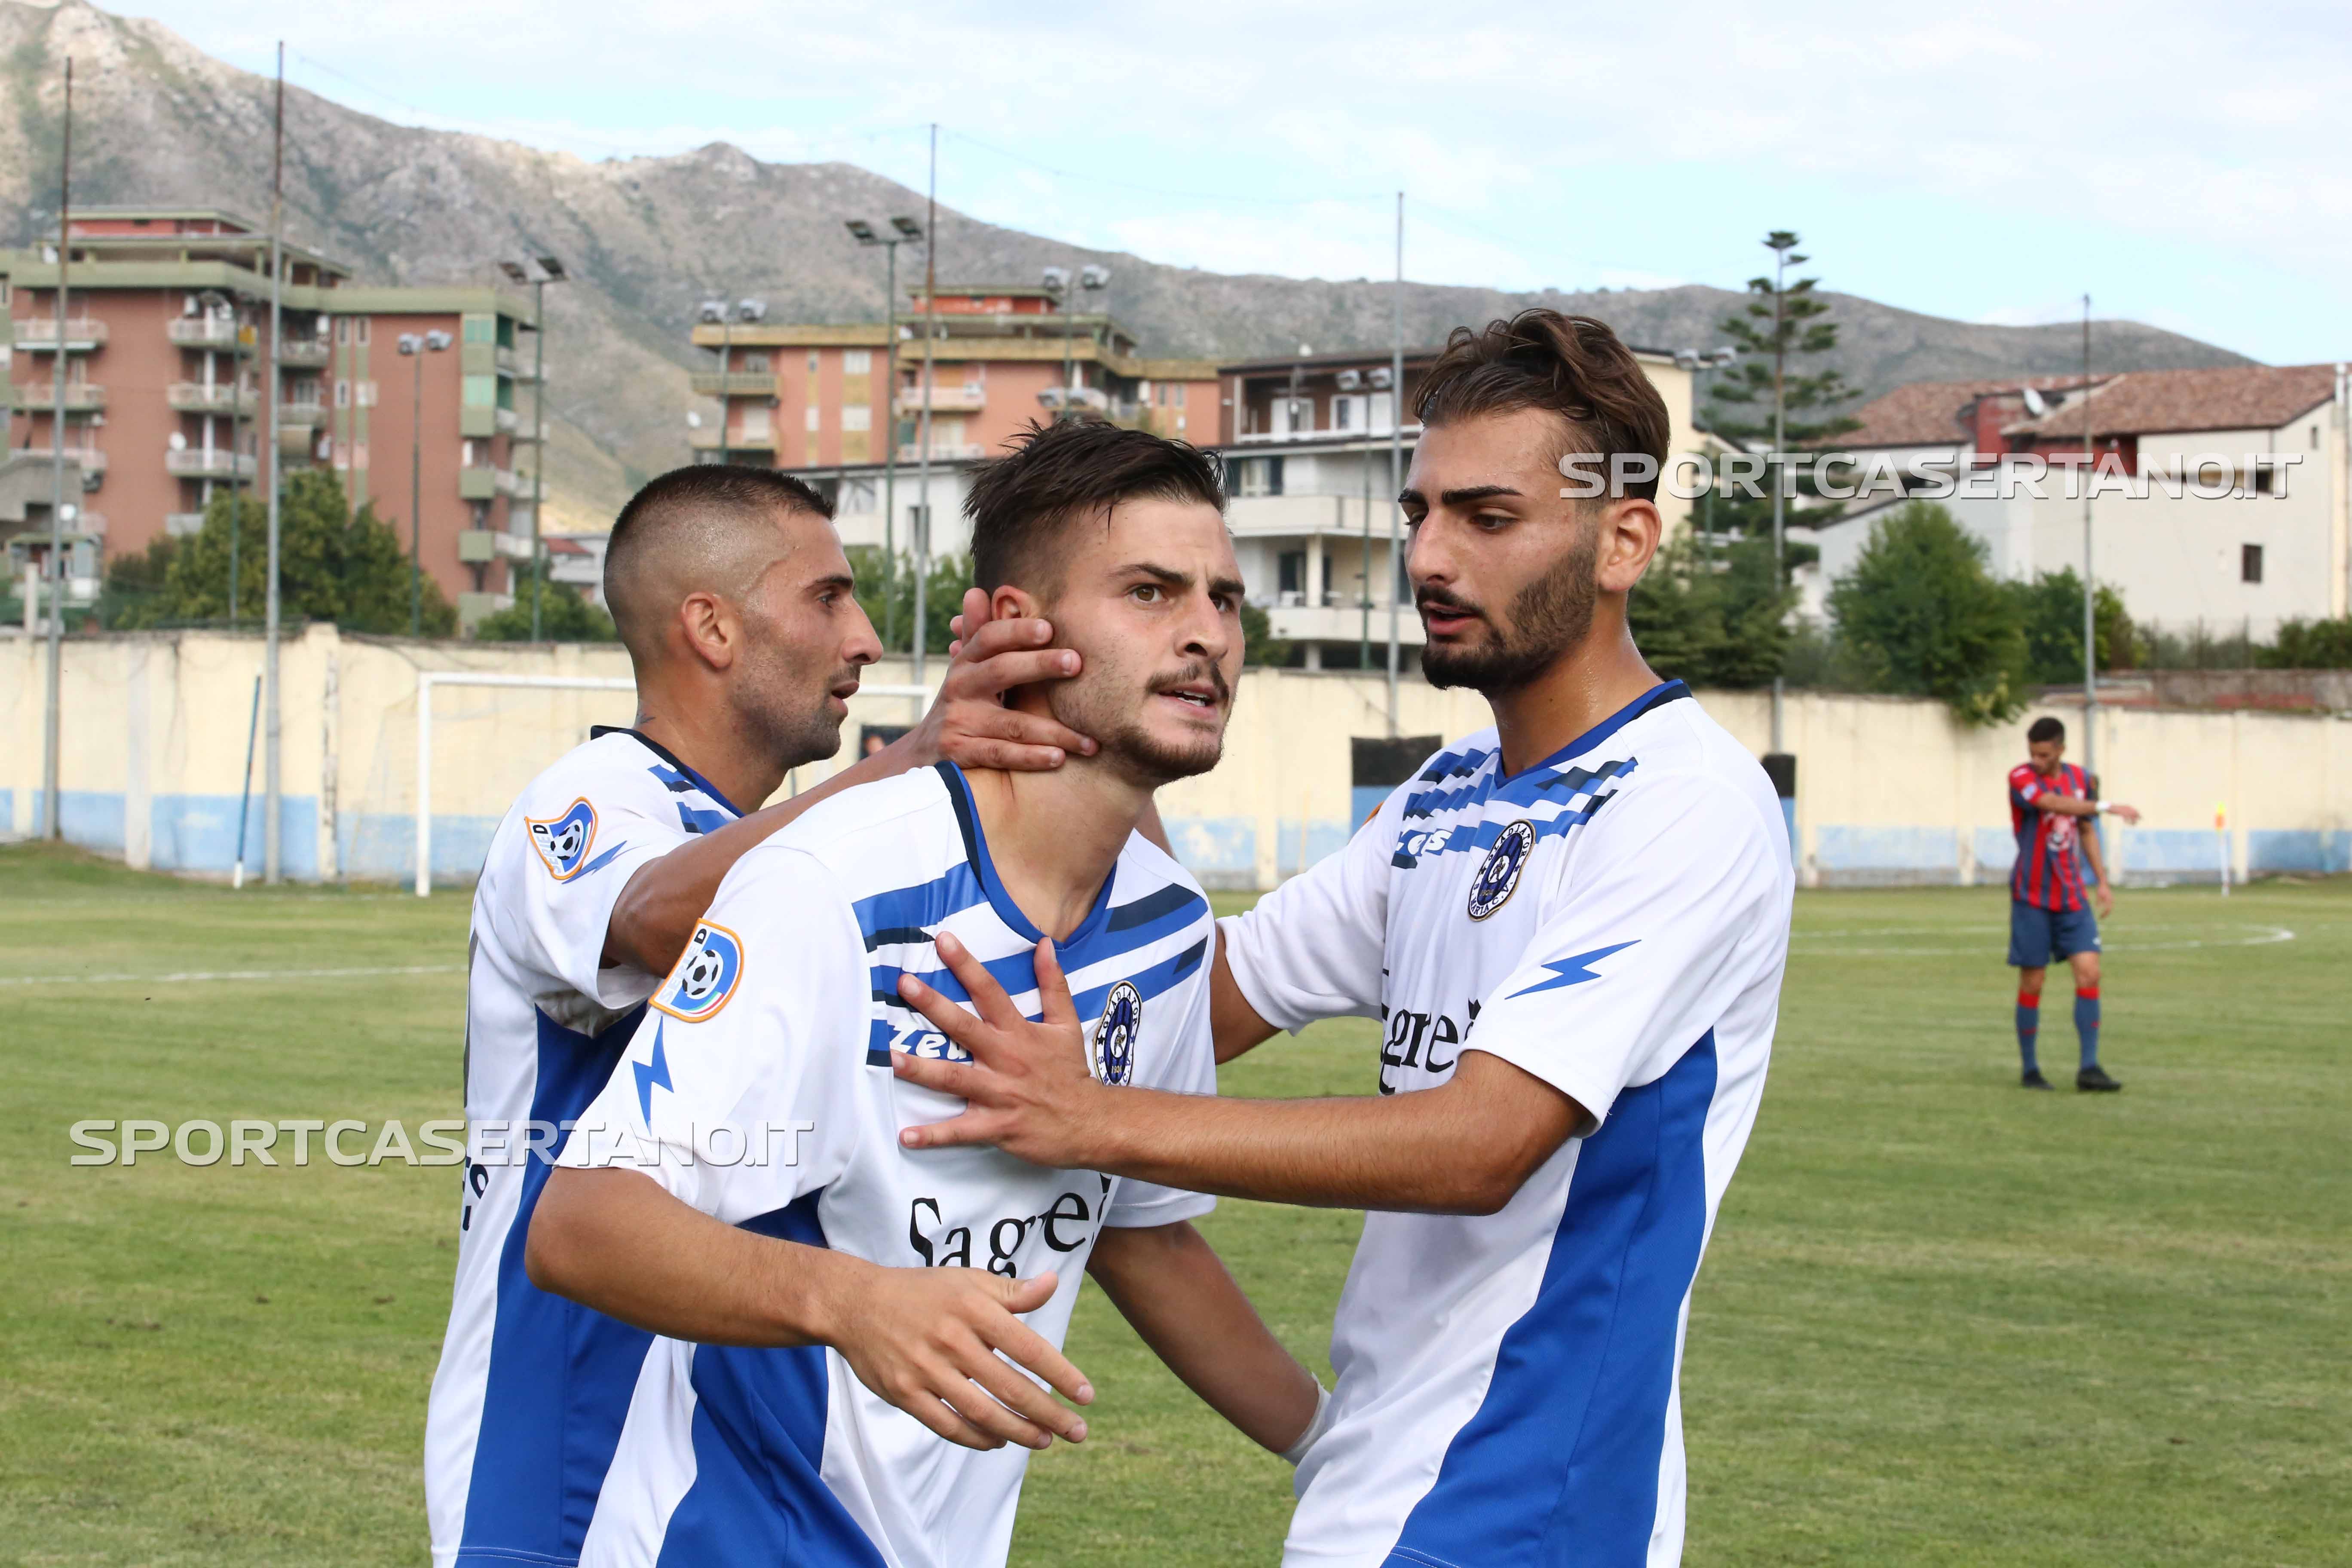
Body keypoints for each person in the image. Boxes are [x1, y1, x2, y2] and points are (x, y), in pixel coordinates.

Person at [897, 311, 1796, 1568]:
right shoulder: (1447, 798)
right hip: (1382, 1482)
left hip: (1521, 1506)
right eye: (1418, 513)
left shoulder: (1681, 800)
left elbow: (1480, 1144)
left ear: (1623, 541)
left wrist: (1091, 1119)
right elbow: (1189, 1001)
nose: (1428, 554)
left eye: (1487, 518)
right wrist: (1095, 727)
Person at [525, 421, 1322, 1568]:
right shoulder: (830, 884)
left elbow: (1139, 1234)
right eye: (1149, 592)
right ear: (1017, 628)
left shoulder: (1169, 927)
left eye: (1225, 599)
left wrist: (1331, 1441)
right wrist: (853, 1302)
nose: (1206, 633)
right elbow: (583, 1223)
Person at [424, 464, 1101, 1568]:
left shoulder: (818, 852)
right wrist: (908, 762)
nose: (864, 639)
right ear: (712, 628)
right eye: (827, 597)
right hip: (558, 1453)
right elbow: (650, 917)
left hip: (717, 1473)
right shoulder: (591, 796)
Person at [2006, 714, 2139, 1092]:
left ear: (2061, 749)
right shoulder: (2021, 777)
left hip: (2071, 896)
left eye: (2045, 755)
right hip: (2032, 896)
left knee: (2090, 973)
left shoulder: (2081, 779)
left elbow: (2085, 830)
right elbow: (2050, 802)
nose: (2037, 761)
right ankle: (2031, 1069)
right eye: (2033, 753)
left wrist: (2102, 881)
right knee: (2034, 981)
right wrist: (2105, 806)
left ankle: (2089, 1069)